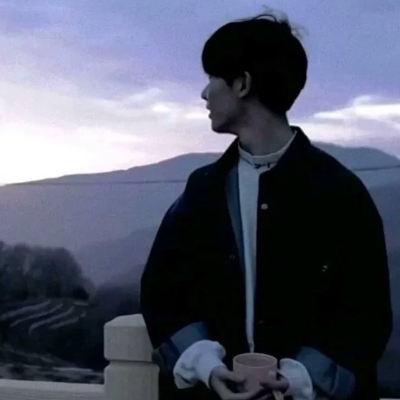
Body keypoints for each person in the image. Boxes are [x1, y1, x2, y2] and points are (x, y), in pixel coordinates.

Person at [140, 9, 392, 400]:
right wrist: (208, 367)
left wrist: (299, 378)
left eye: (212, 77)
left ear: (242, 84)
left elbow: (366, 314)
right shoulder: (204, 190)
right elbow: (163, 292)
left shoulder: (339, 193)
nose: (204, 94)